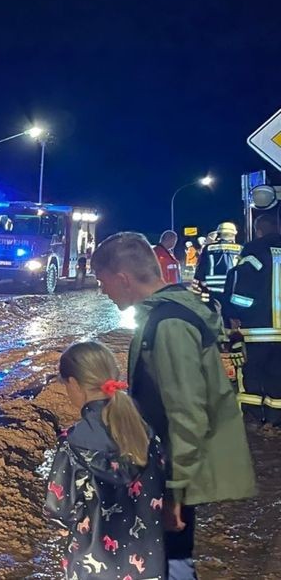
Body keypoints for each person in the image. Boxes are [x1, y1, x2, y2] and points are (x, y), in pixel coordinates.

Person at [90, 232, 257, 579]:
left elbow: (187, 414)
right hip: (168, 469)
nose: (102, 290)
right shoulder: (169, 315)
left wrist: (173, 495)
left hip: (171, 475)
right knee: (168, 558)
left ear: (122, 279)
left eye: (103, 282)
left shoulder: (169, 325)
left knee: (171, 560)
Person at [44, 341, 166, 580]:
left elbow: (58, 508)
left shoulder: (73, 443)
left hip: (96, 565)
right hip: (149, 561)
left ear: (74, 384)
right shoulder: (146, 432)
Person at [221, 214, 281, 424]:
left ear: (258, 231)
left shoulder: (254, 252)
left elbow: (240, 292)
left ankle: (253, 419)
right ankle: (275, 420)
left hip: (257, 331)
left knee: (252, 376)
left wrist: (233, 316)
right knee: (277, 378)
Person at [192, 222, 241, 303]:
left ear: (219, 234)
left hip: (212, 291)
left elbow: (201, 269)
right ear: (233, 235)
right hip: (233, 289)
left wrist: (199, 284)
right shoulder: (240, 249)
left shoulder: (208, 248)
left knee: (214, 313)